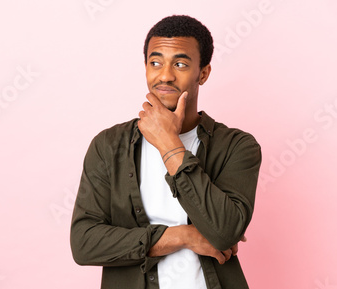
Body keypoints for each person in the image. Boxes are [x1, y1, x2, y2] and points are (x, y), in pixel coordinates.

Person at [70, 15, 262, 289]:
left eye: (180, 64)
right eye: (155, 62)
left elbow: (224, 231)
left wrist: (169, 144)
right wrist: (182, 236)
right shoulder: (108, 146)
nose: (165, 75)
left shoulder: (237, 146)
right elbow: (84, 243)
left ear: (203, 73)